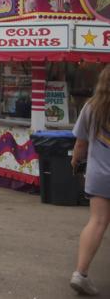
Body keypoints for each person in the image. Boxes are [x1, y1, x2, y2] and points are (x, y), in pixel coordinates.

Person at [69, 65, 110, 296]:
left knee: (97, 222)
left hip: (99, 174)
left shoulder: (91, 107)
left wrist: (75, 161)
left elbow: (81, 143)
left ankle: (80, 273)